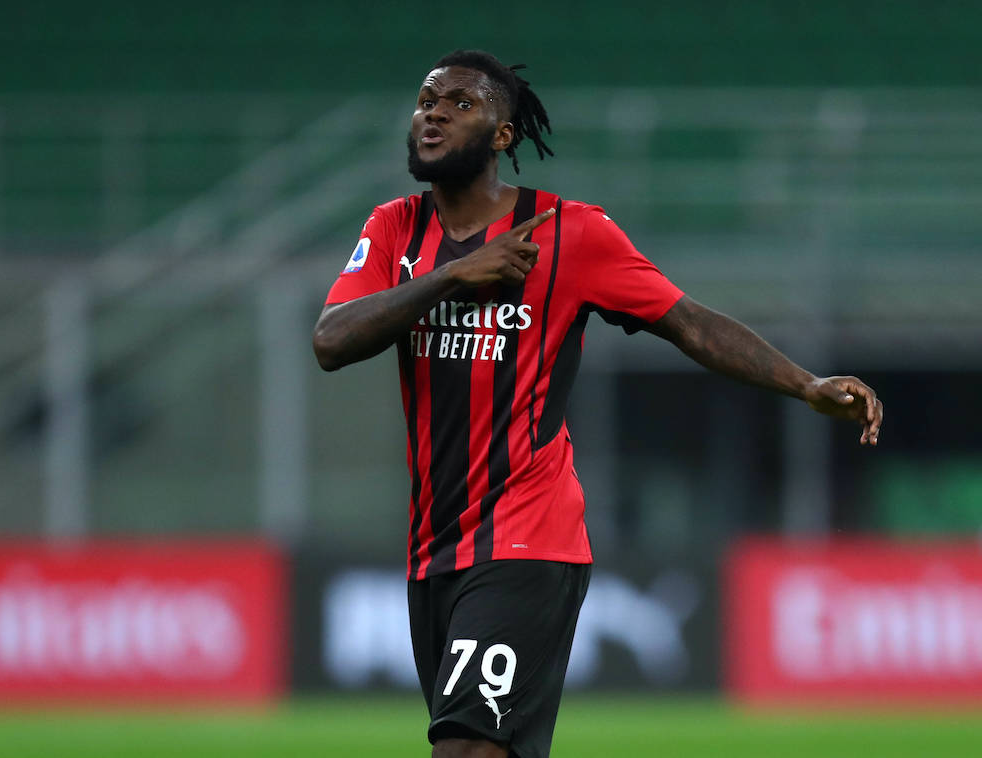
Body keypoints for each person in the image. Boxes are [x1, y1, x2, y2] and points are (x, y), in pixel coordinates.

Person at [312, 49, 882, 758]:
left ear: (502, 135)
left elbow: (688, 320)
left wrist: (805, 383)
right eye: (427, 100)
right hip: (433, 549)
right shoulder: (393, 228)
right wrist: (456, 277)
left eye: (461, 103)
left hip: (528, 535)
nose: (434, 113)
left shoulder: (570, 232)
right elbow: (332, 340)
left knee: (466, 750)